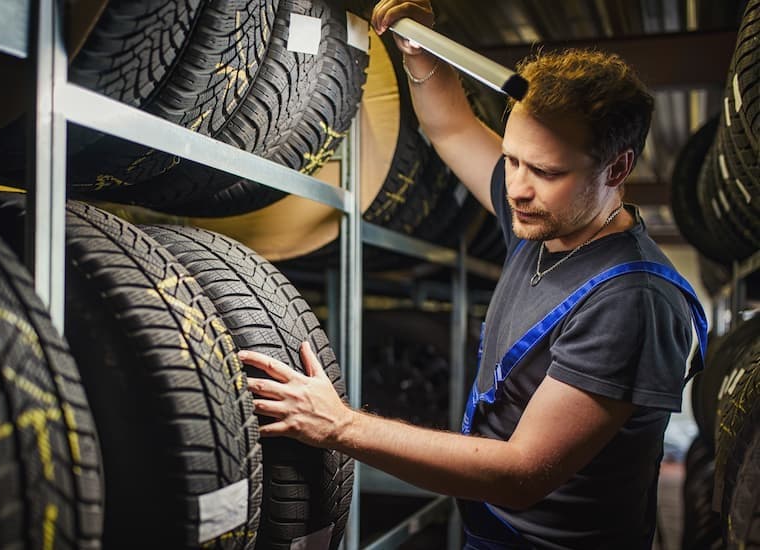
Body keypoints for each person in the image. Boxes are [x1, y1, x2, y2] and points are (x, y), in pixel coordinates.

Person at [238, 1, 709, 548]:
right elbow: (451, 126)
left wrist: (340, 425)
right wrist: (422, 53)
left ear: (618, 169)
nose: (516, 189)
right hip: (490, 531)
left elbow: (521, 473)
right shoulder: (544, 221)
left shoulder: (633, 301)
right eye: (511, 159)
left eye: (546, 171)